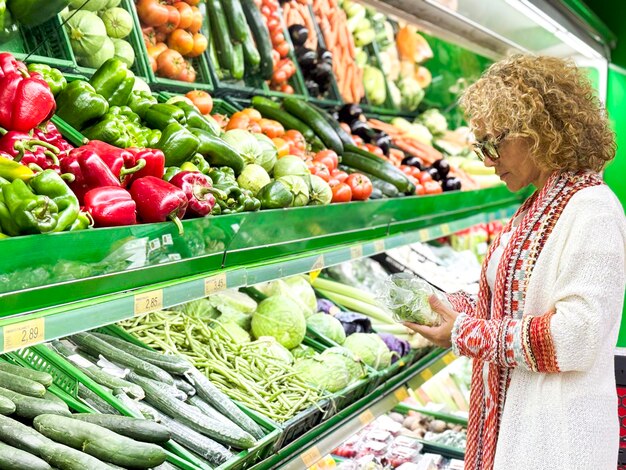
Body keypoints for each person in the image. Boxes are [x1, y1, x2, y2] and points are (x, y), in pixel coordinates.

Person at [407, 54, 626, 470]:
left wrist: (467, 334)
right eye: (480, 146)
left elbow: (576, 336)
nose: (487, 160)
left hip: (556, 440)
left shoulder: (592, 209)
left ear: (538, 133)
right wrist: (451, 307)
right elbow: (514, 300)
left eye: (493, 143)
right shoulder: (537, 205)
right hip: (521, 429)